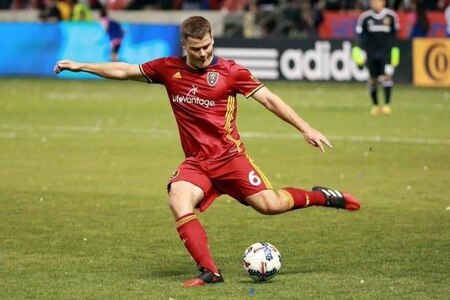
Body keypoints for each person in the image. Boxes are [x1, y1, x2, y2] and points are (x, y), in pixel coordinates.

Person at [54, 16, 360, 287]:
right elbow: (124, 70)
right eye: (197, 48)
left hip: (230, 159)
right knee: (178, 199)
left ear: (213, 40)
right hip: (197, 164)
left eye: (208, 46)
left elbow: (270, 99)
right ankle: (210, 271)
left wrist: (305, 127)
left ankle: (321, 196)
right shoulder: (167, 69)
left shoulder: (230, 72)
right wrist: (82, 66)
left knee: (271, 205)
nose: (204, 53)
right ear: (184, 45)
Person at [352, 0, 400, 115]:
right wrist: (357, 50)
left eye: (377, 1)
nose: (374, 3)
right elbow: (360, 37)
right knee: (373, 79)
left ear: (383, 2)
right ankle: (375, 105)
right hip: (371, 53)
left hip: (386, 53)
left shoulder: (391, 16)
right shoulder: (365, 18)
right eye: (373, 1)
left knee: (387, 77)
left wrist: (395, 51)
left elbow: (394, 37)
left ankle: (387, 105)